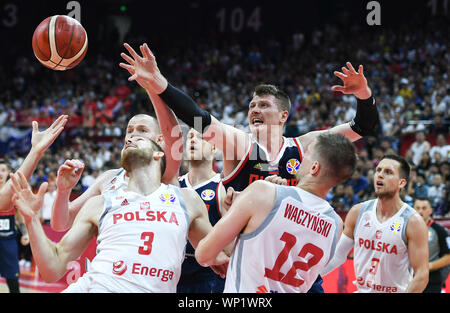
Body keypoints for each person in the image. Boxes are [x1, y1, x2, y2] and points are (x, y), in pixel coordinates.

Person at [120, 42, 380, 293]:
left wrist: (363, 95)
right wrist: (159, 83)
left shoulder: (306, 146)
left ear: (283, 116)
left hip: (291, 265)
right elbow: (198, 118)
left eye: (264, 105)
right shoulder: (241, 144)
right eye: (252, 106)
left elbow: (363, 127)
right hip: (249, 261)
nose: (255, 110)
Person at [10, 135, 229, 293]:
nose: (130, 140)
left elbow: (221, 259)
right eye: (127, 140)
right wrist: (32, 220)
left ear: (158, 154)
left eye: (140, 139)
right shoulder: (101, 202)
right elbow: (53, 268)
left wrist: (235, 216)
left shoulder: (186, 199)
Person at [195, 132, 357, 292]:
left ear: (314, 167)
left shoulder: (263, 192)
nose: (301, 158)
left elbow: (204, 254)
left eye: (307, 154)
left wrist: (242, 211)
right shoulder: (336, 225)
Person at [50, 92, 183, 231]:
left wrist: (152, 85)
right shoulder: (108, 178)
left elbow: (174, 137)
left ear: (160, 140)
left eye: (143, 130)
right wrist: (63, 191)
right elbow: (61, 224)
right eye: (129, 131)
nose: (133, 135)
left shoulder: (163, 172)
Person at [320, 154, 429, 293]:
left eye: (388, 172)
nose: (380, 175)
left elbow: (421, 274)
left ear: (401, 183)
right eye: (378, 170)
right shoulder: (358, 212)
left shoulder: (413, 222)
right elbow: (338, 256)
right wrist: (308, 278)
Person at [0, 116, 68, 293]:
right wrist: (35, 152)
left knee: (12, 281)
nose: (0, 173)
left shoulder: (14, 192)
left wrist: (24, 231)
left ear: (8, 172)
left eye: (3, 170)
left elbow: (18, 214)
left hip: (8, 238)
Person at [177, 129, 227, 293]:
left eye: (200, 138)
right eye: (190, 137)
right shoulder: (174, 185)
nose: (193, 140)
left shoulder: (223, 186)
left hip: (208, 276)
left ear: (214, 148)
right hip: (174, 271)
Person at [414, 197, 450, 293]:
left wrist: (429, 266)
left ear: (430, 211)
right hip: (409, 278)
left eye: (424, 208)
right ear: (413, 209)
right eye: (417, 208)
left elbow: (448, 256)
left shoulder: (441, 231)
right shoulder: (404, 228)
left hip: (432, 280)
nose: (420, 211)